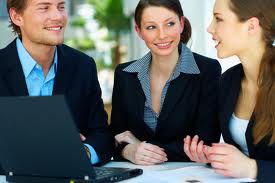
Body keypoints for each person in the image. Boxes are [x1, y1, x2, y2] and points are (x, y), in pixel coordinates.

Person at [0, 0, 113, 167]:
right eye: (44, 8)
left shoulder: (83, 66)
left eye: (61, 7)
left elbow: (102, 134)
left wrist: (84, 153)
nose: (58, 16)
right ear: (17, 16)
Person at [110, 0, 221, 165]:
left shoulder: (207, 70)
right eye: (151, 27)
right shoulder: (125, 74)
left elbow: (205, 144)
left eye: (170, 24)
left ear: (181, 24)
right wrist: (127, 150)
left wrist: (139, 147)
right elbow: (117, 138)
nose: (162, 35)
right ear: (138, 31)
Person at [184, 0, 275, 182]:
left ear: (251, 26)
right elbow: (240, 158)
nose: (210, 28)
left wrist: (253, 168)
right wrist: (212, 157)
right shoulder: (228, 82)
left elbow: (248, 166)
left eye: (219, 19)